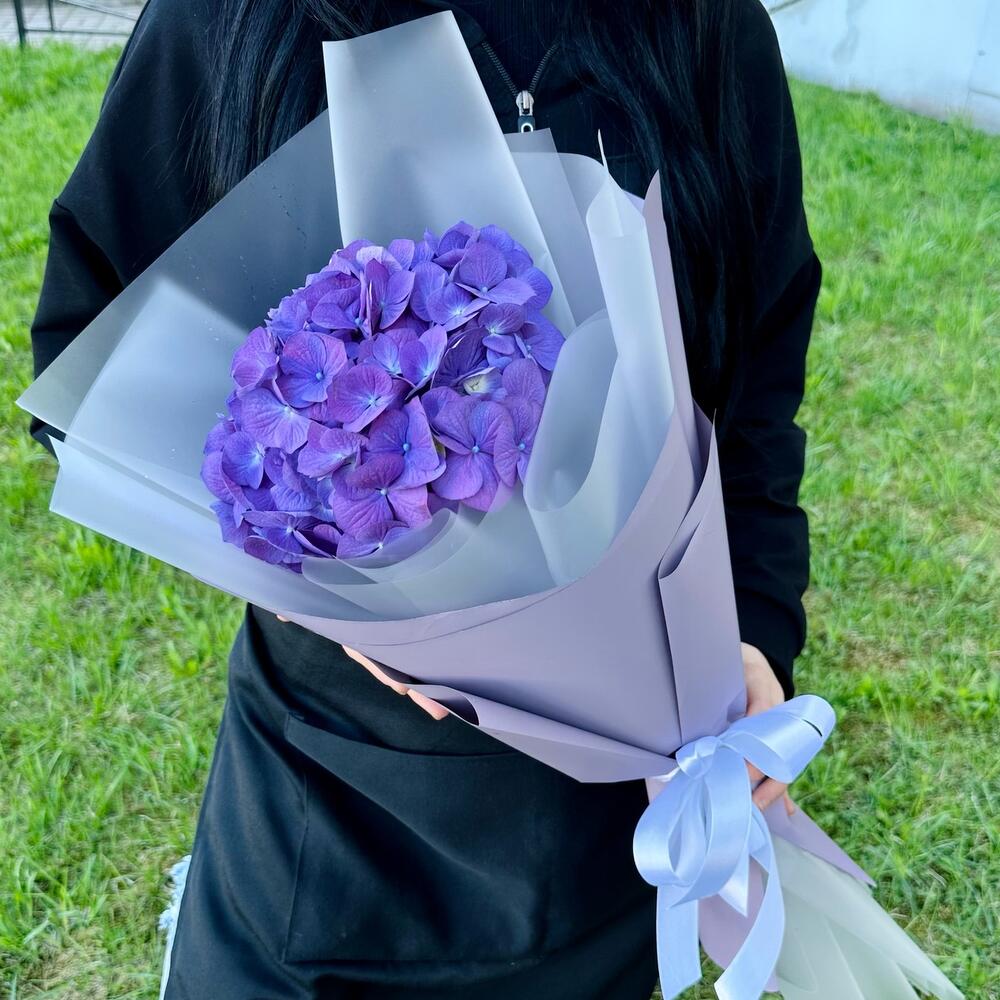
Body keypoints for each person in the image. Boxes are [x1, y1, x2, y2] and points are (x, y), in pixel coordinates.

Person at [28, 1, 819, 996]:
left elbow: (753, 389)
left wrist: (753, 633)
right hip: (333, 823)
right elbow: (90, 361)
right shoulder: (230, 20)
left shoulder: (701, 26)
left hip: (619, 824)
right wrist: (337, 582)